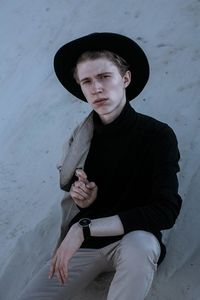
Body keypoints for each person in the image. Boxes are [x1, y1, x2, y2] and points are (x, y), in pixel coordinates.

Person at [18, 32, 182, 300]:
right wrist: (84, 200)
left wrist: (84, 227)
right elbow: (82, 194)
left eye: (104, 77)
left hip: (131, 242)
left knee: (141, 243)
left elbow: (166, 210)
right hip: (86, 247)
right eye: (87, 81)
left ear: (125, 79)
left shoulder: (157, 134)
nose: (96, 88)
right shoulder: (80, 140)